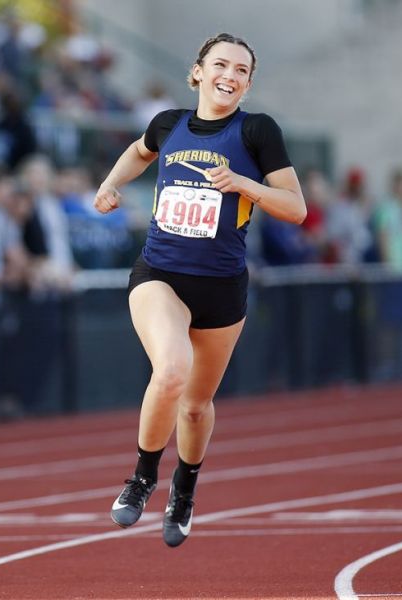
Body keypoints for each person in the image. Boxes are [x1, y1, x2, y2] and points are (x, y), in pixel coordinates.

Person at [94, 33, 306, 547]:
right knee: (170, 372)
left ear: (248, 83)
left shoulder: (256, 131)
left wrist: (243, 184)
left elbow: (295, 208)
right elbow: (138, 151)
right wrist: (110, 184)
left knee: (194, 404)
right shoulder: (168, 123)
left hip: (221, 288)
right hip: (160, 275)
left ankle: (183, 491)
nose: (228, 75)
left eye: (240, 70)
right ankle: (142, 477)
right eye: (220, 64)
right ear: (197, 72)